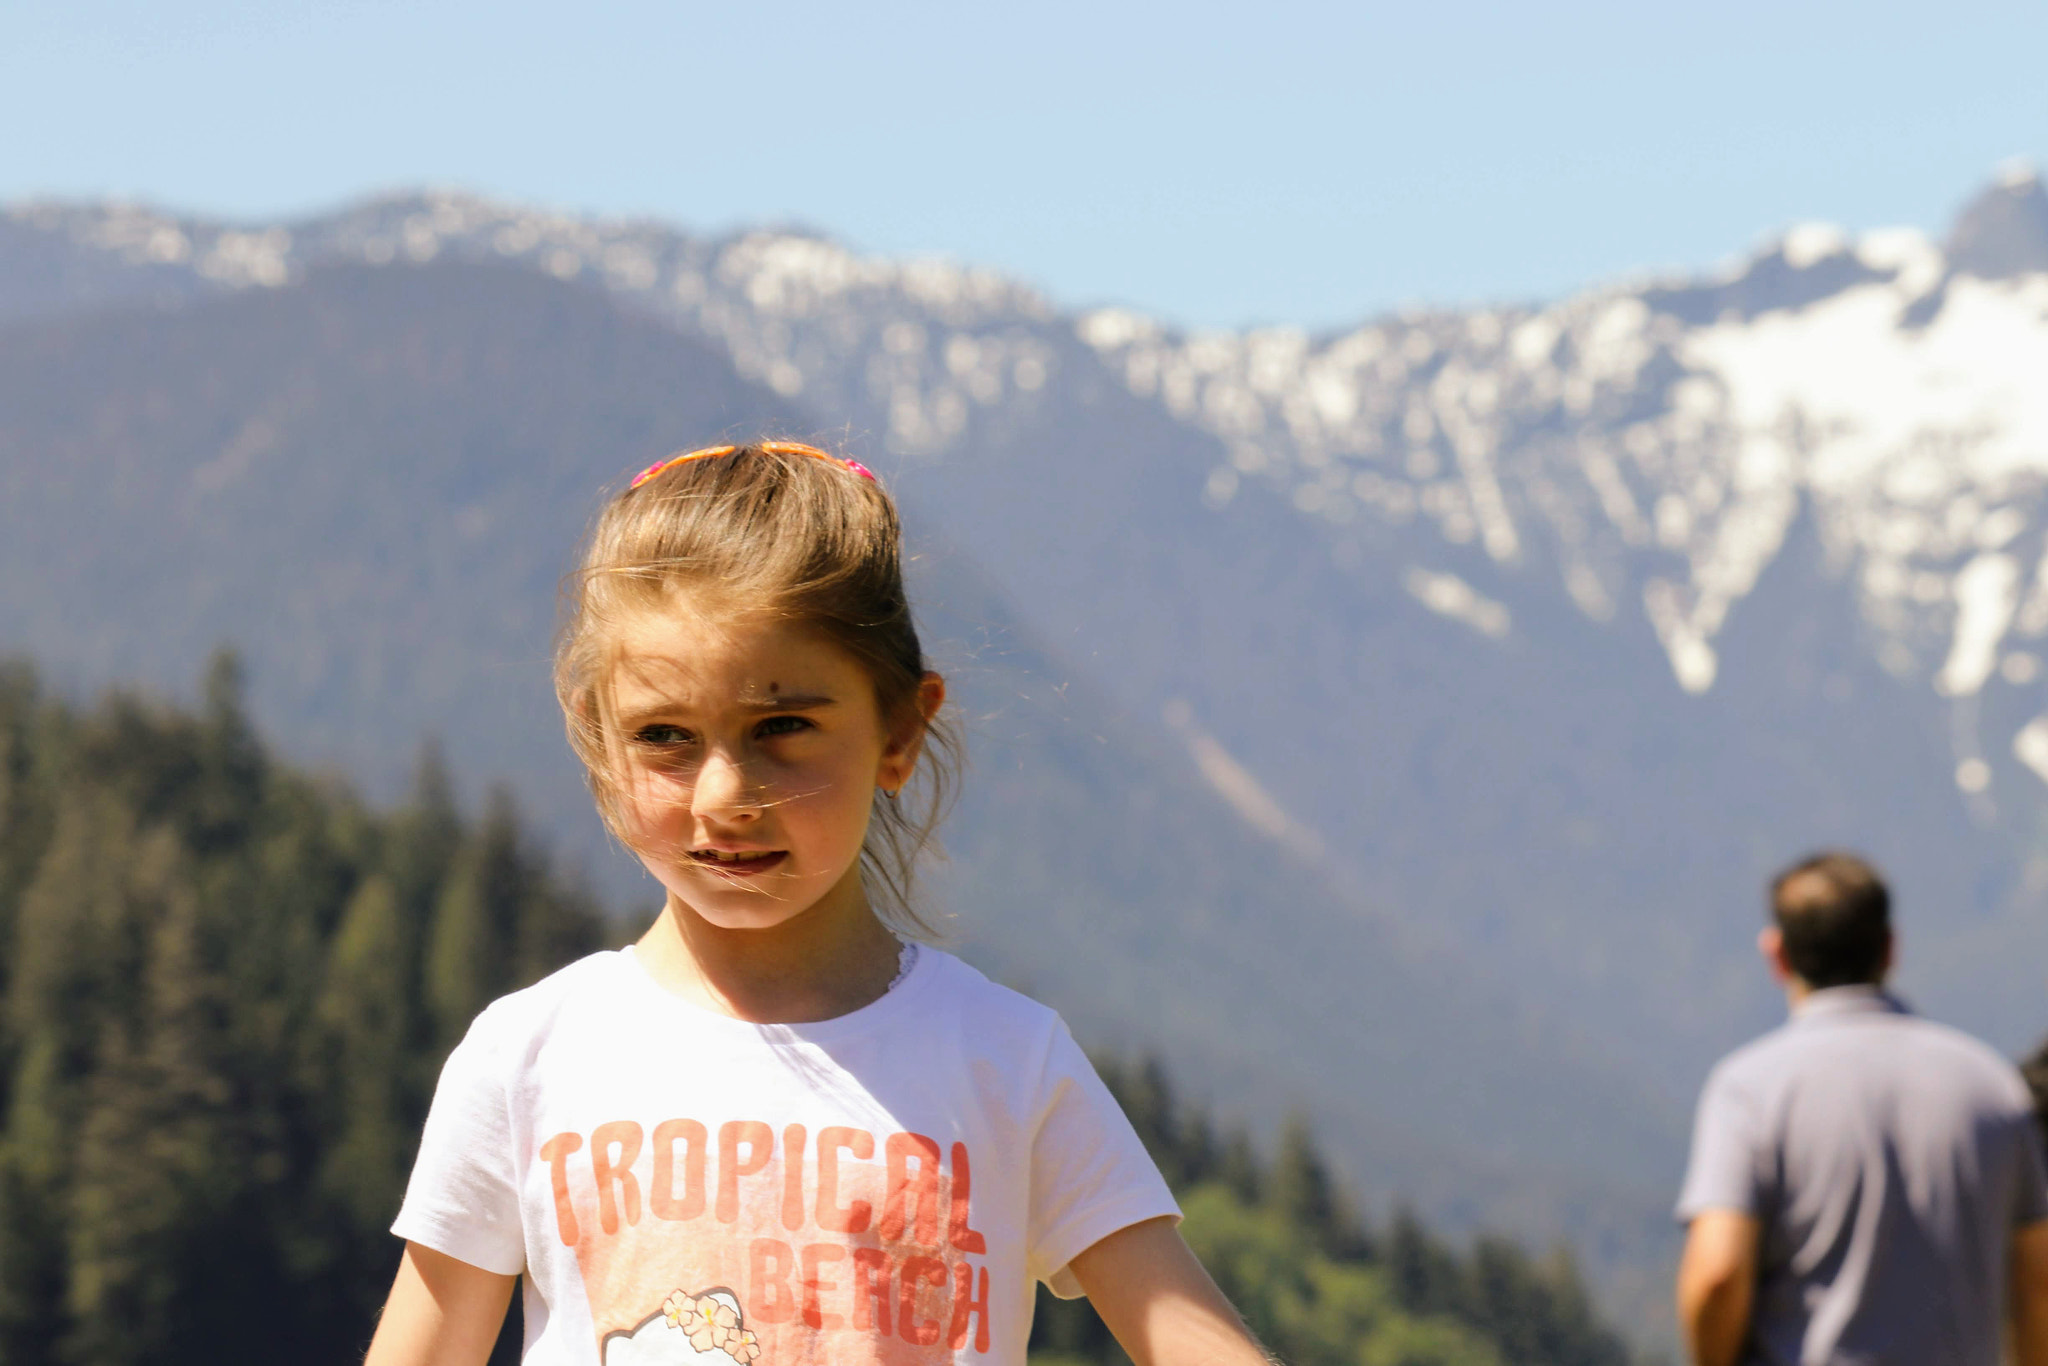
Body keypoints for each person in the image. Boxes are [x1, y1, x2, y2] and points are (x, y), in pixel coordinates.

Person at [362, 441, 1275, 1366]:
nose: (725, 794)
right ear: (600, 745)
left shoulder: (1008, 1063)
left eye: (783, 727)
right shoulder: (529, 1058)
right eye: (664, 736)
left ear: (901, 730)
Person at [1674, 851, 2048, 1366]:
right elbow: (2037, 1281)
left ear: (1777, 955)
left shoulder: (1749, 1090)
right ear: (1890, 948)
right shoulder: (1993, 1088)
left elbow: (1717, 1276)